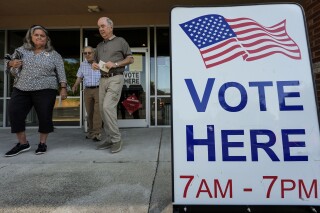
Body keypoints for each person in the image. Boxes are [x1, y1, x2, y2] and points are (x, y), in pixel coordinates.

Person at [4, 25, 67, 157]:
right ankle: (22, 143)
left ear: (47, 39)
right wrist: (11, 64)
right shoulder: (21, 51)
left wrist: (63, 88)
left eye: (42, 35)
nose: (39, 37)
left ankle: (42, 143)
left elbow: (61, 72)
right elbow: (7, 63)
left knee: (44, 116)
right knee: (14, 112)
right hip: (21, 87)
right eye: (36, 35)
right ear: (31, 37)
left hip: (46, 88)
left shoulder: (54, 54)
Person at [92, 17, 134, 153]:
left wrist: (115, 64)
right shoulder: (99, 46)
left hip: (116, 77)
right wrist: (94, 65)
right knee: (102, 110)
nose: (101, 29)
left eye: (103, 26)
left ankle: (116, 139)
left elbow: (130, 58)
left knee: (107, 107)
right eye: (99, 27)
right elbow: (97, 62)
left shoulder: (120, 41)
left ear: (111, 27)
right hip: (102, 79)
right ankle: (110, 138)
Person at [72, 46, 102, 141]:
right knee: (90, 113)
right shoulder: (83, 64)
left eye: (89, 53)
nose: (87, 55)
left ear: (94, 53)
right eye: (85, 53)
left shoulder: (100, 63)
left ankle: (97, 134)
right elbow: (79, 77)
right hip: (87, 90)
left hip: (98, 89)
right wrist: (75, 85)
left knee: (97, 112)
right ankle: (91, 132)